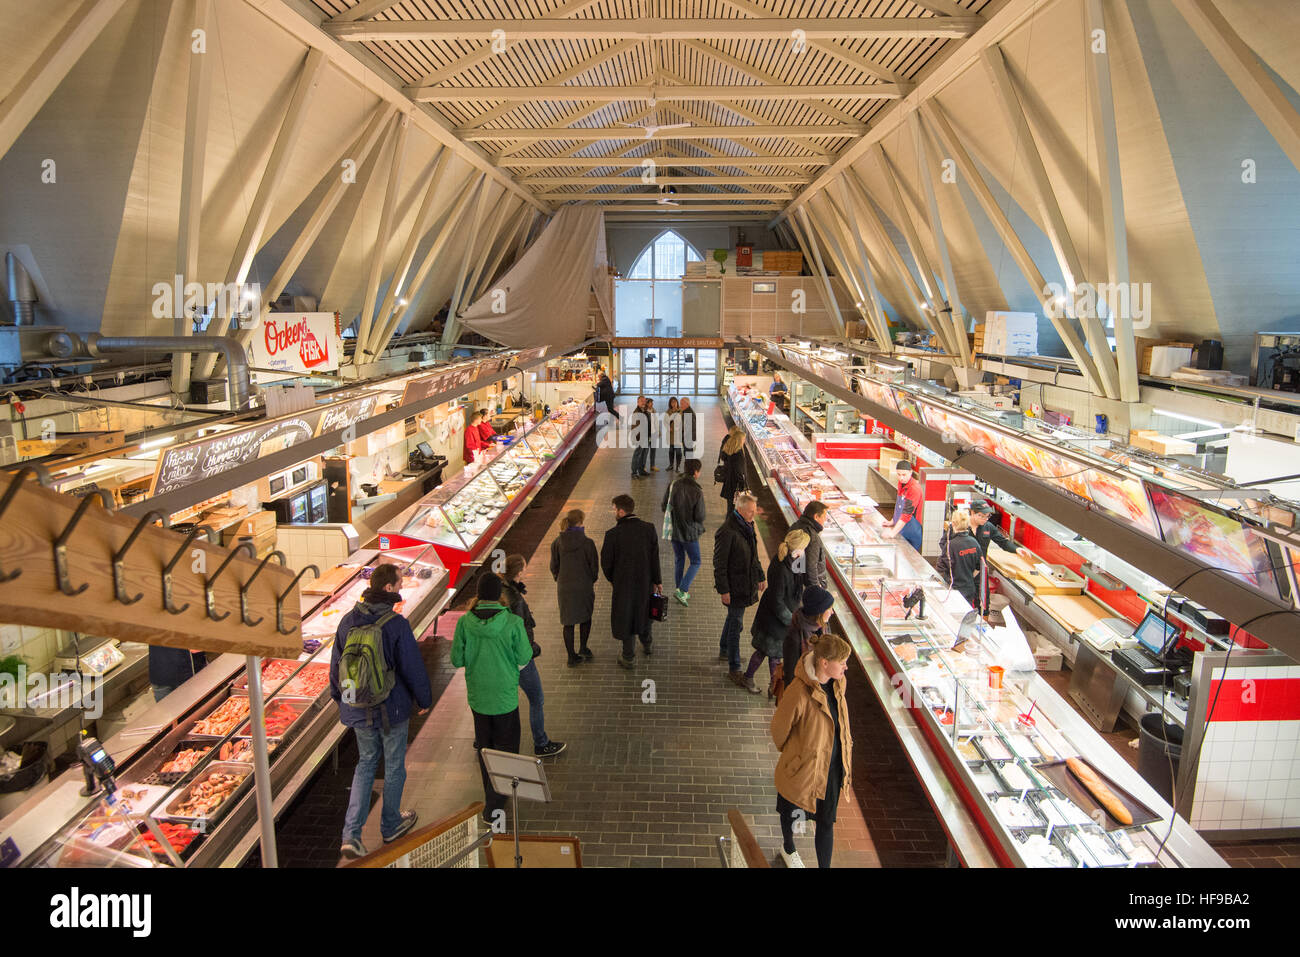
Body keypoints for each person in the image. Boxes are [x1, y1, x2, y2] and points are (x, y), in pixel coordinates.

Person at [330, 563, 432, 858]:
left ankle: (351, 835)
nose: (401, 587)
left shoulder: (348, 620)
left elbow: (337, 665)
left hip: (358, 708)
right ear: (388, 588)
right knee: (394, 764)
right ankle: (390, 824)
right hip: (391, 709)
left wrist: (341, 699)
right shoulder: (395, 624)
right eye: (399, 583)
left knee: (365, 763)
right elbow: (411, 666)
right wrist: (424, 699)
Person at [450, 573, 533, 825]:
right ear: (499, 595)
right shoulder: (512, 622)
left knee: (485, 748)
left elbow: (456, 660)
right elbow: (524, 656)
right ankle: (496, 805)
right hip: (505, 697)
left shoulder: (464, 623)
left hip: (479, 698)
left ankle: (492, 795)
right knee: (507, 748)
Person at [771, 632, 854, 868]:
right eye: (842, 662)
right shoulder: (798, 691)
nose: (846, 668)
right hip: (803, 768)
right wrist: (796, 754)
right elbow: (779, 730)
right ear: (824, 663)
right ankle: (788, 848)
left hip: (832, 769)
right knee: (790, 810)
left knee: (826, 821)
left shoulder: (839, 684)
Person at [499, 555, 566, 757]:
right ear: (519, 572)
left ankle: (486, 738)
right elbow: (519, 631)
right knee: (537, 699)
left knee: (502, 698)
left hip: (502, 656)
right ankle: (541, 743)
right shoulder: (515, 599)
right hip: (520, 659)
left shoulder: (502, 589)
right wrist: (530, 651)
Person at [600, 493, 662, 668]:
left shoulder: (612, 534)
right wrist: (657, 580)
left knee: (626, 616)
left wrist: (614, 580)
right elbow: (654, 558)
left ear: (621, 512)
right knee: (644, 613)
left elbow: (606, 563)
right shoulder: (649, 529)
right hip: (645, 583)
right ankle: (647, 644)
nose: (613, 512)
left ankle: (628, 657)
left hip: (623, 585)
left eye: (614, 509)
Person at [745, 528, 808, 695]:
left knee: (773, 655)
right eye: (803, 548)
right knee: (766, 653)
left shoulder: (796, 558)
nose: (805, 551)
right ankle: (754, 679)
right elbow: (777, 601)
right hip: (773, 618)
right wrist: (791, 620)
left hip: (784, 615)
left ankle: (771, 686)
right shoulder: (780, 569)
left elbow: (800, 582)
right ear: (796, 548)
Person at [714, 490, 766, 685]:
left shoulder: (747, 527)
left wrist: (760, 574)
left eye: (754, 511)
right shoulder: (727, 532)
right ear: (740, 510)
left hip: (744, 584)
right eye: (751, 511)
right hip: (735, 587)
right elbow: (719, 564)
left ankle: (724, 649)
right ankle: (734, 667)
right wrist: (723, 590)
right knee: (736, 624)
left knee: (734, 617)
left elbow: (753, 556)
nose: (754, 514)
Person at [550, 509, 598, 666]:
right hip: (583, 586)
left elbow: (553, 566)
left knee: (568, 622)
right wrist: (590, 580)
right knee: (585, 618)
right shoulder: (588, 543)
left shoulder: (557, 543)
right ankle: (583, 648)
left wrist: (560, 579)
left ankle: (571, 657)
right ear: (580, 523)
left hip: (565, 587)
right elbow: (594, 568)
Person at [662, 458, 706, 605]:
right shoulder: (697, 490)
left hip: (674, 531)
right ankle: (682, 589)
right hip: (689, 533)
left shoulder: (673, 484)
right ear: (695, 472)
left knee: (679, 559)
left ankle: (679, 589)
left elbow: (664, 506)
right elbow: (700, 516)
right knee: (696, 561)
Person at [783, 586, 834, 692]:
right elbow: (791, 674)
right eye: (829, 609)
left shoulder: (823, 626)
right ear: (819, 612)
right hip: (805, 691)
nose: (832, 612)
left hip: (821, 685)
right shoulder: (794, 636)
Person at [935, 509, 986, 612]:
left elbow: (940, 568)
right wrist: (968, 576)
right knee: (965, 616)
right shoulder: (974, 543)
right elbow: (979, 567)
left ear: (953, 524)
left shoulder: (951, 545)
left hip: (953, 589)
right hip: (969, 589)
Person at [883, 460, 924, 552]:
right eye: (898, 474)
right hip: (901, 528)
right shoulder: (901, 483)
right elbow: (899, 505)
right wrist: (893, 520)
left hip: (912, 532)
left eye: (904, 475)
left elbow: (907, 514)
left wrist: (892, 533)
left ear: (910, 472)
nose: (901, 478)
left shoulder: (914, 489)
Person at [788, 500, 829, 590]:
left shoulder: (796, 525)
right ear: (816, 517)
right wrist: (816, 588)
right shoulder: (812, 537)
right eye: (824, 517)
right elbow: (810, 566)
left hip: (795, 577)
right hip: (806, 585)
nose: (825, 520)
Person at [717, 424, 748, 504]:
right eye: (743, 439)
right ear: (739, 440)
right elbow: (739, 472)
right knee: (734, 508)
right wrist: (743, 485)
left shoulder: (730, 449)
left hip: (729, 481)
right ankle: (730, 517)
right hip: (735, 485)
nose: (744, 441)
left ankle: (729, 516)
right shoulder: (738, 454)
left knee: (730, 505)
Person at [629, 397, 651, 479]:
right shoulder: (637, 412)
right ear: (637, 402)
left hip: (646, 437)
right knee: (637, 455)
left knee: (644, 455)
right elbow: (634, 427)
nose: (643, 402)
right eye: (641, 401)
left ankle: (641, 470)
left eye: (644, 401)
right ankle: (634, 472)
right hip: (640, 438)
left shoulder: (644, 411)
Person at [664, 397, 684, 472]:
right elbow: (665, 422)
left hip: (678, 435)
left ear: (677, 403)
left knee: (678, 451)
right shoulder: (668, 412)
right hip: (671, 434)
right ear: (670, 404)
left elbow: (684, 421)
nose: (674, 403)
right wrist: (669, 428)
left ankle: (678, 466)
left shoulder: (681, 411)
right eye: (672, 402)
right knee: (671, 451)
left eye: (675, 402)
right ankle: (671, 465)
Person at [645, 397, 661, 472]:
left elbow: (656, 422)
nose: (652, 404)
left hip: (654, 434)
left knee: (653, 450)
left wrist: (658, 431)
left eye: (652, 402)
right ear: (647, 404)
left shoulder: (654, 411)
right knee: (645, 451)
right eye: (651, 402)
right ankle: (643, 466)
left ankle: (652, 465)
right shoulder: (644, 412)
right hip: (647, 434)